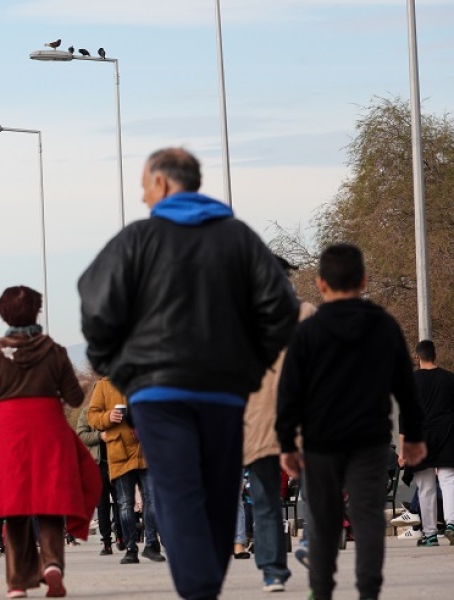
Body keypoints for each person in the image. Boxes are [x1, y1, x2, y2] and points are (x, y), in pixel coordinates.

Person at [79, 147, 299, 600]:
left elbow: (94, 302)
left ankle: (198, 590)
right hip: (223, 392)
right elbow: (282, 309)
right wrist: (252, 366)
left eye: (144, 185)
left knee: (178, 490)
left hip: (158, 395)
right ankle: (203, 587)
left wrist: (122, 368)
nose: (143, 196)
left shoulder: (137, 240)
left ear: (161, 184)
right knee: (219, 493)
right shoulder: (239, 239)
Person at [276, 243, 426, 600]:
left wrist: (286, 445)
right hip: (370, 440)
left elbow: (289, 394)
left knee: (324, 521)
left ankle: (322, 590)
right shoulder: (383, 326)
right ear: (363, 280)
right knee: (368, 517)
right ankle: (368, 592)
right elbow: (407, 388)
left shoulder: (308, 332)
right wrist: (414, 436)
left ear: (321, 283)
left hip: (320, 442)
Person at [0, 285, 100, 599]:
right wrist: (75, 382)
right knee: (51, 504)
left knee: (15, 508)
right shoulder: (54, 352)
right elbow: (75, 398)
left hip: (7, 434)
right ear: (37, 311)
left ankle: (17, 582)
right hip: (49, 430)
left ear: (3, 314)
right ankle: (52, 566)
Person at [241, 254, 316, 592]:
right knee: (316, 488)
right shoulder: (307, 315)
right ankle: (313, 544)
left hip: (258, 425)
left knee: (266, 500)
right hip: (304, 418)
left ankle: (273, 572)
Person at [87, 376, 165, 565]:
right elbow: (92, 416)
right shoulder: (104, 385)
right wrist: (108, 417)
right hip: (119, 452)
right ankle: (131, 547)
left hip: (146, 449)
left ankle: (151, 544)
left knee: (152, 499)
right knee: (124, 503)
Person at [403, 340, 454, 546]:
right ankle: (451, 523)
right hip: (447, 434)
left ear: (417, 357)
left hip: (421, 437)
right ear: (436, 355)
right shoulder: (450, 379)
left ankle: (430, 534)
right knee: (449, 481)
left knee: (425, 487)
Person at [75, 388, 121, 556]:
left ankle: (121, 535)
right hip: (97, 464)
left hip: (117, 461)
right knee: (102, 505)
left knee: (122, 501)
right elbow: (81, 435)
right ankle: (107, 541)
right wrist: (99, 437)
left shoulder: (115, 410)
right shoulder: (87, 412)